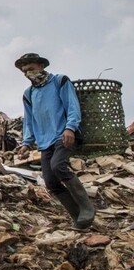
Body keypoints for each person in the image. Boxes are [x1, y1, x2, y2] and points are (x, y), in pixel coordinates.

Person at [15, 53, 95, 229]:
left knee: (58, 165)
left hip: (64, 135)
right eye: (24, 72)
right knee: (50, 181)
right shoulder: (29, 94)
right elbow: (29, 120)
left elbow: (72, 106)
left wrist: (70, 128)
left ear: (41, 65)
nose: (28, 74)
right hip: (45, 141)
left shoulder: (60, 81)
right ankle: (78, 218)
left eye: (31, 69)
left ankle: (87, 208)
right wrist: (27, 143)